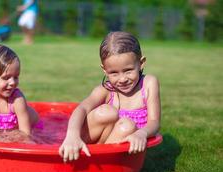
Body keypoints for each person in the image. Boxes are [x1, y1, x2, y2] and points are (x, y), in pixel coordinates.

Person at [59, 31, 161, 162]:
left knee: (127, 126)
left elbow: (155, 122)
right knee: (106, 112)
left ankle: (97, 162)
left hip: (123, 149)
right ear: (104, 70)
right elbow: (81, 109)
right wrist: (72, 135)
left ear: (141, 63)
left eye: (128, 70)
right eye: (114, 73)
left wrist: (141, 133)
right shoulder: (106, 90)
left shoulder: (148, 84)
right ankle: (77, 149)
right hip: (95, 141)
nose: (122, 79)